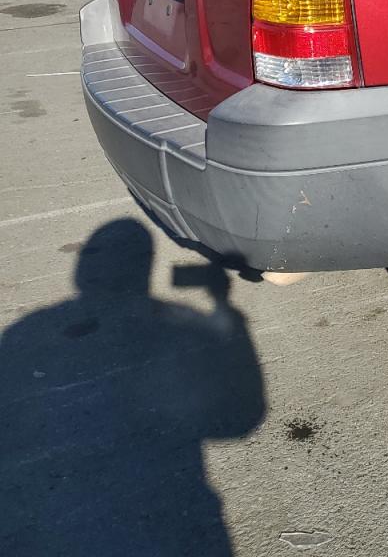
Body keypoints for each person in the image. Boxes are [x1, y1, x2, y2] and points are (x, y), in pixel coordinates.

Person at [0, 219, 265, 556]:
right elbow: (241, 419)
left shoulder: (26, 332)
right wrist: (225, 309)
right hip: (175, 517)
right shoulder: (183, 324)